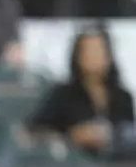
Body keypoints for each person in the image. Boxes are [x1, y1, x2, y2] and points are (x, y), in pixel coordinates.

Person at [27, 25, 134, 157]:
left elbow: (128, 136)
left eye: (99, 50)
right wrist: (71, 136)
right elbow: (33, 130)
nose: (94, 56)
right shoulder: (62, 95)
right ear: (77, 55)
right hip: (71, 165)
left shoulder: (123, 97)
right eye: (88, 50)